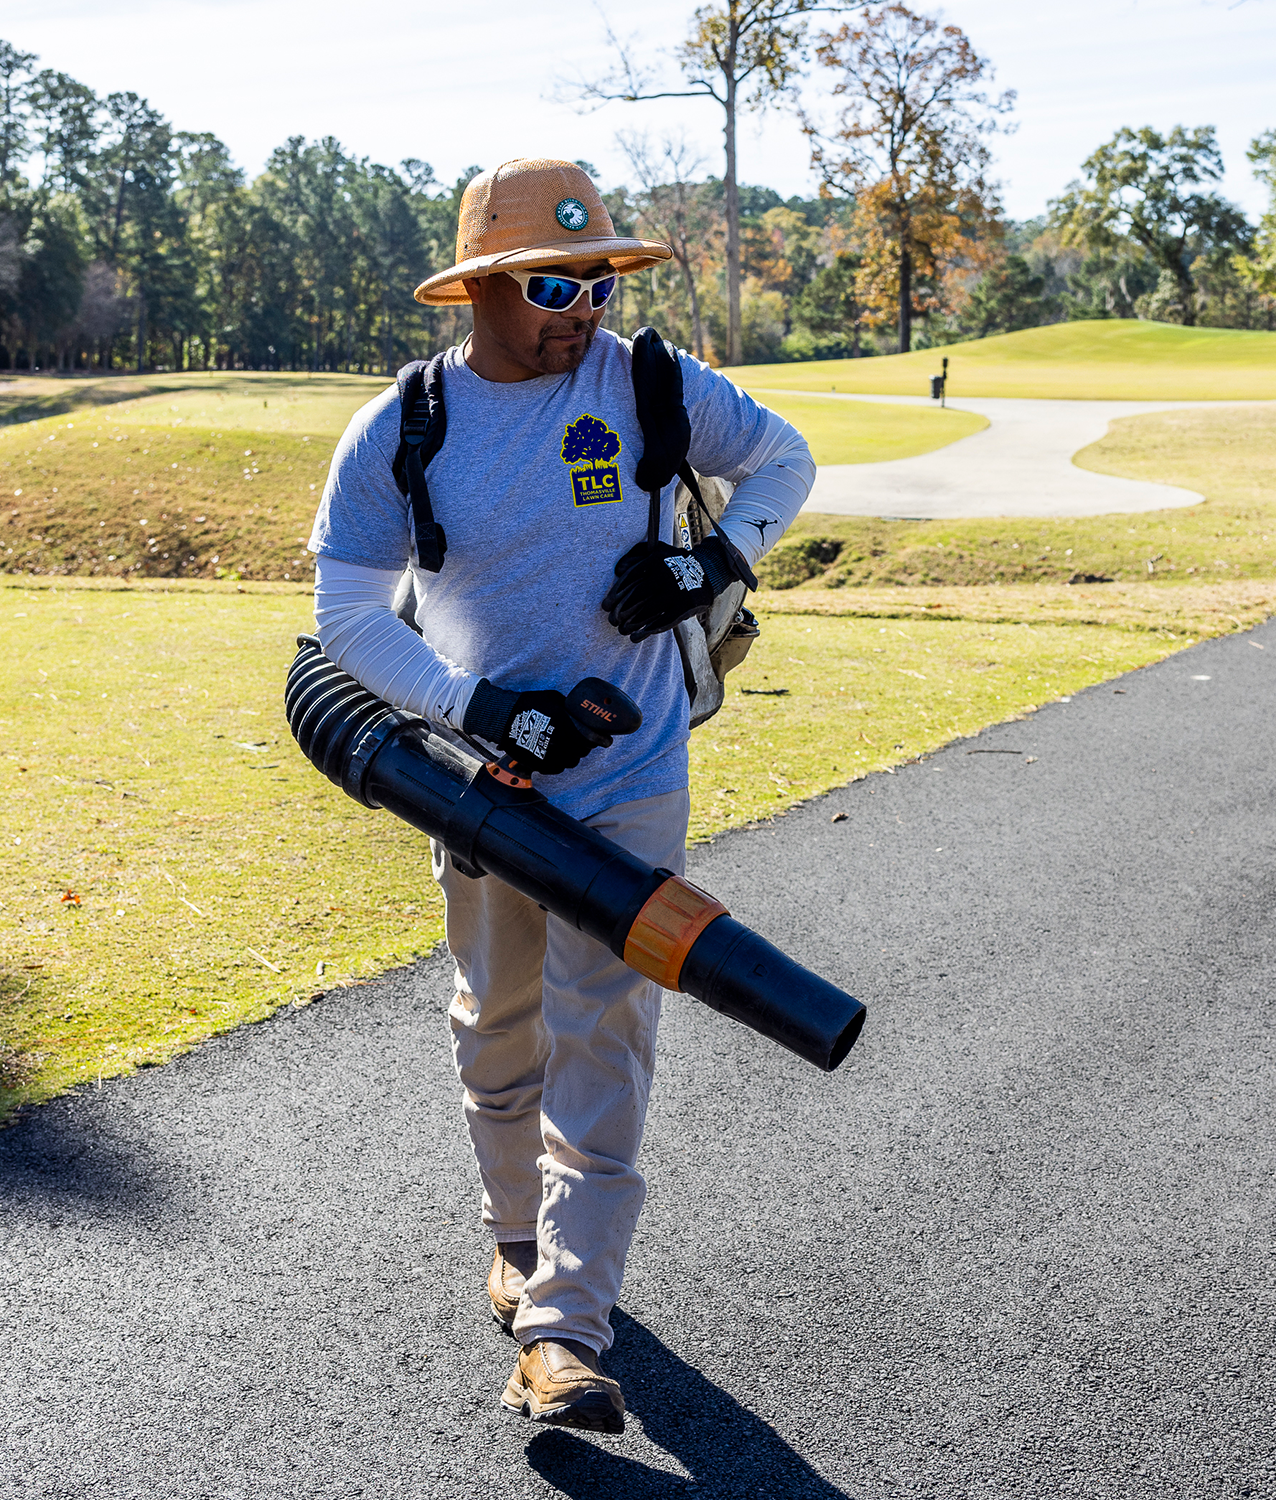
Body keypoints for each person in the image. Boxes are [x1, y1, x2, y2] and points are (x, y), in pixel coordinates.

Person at [306, 158, 814, 1433]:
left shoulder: (645, 382)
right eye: (550, 282)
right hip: (480, 792)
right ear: (476, 289)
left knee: (605, 1035)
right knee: (498, 1024)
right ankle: (515, 1240)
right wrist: (476, 711)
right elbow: (344, 614)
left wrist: (710, 560)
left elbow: (785, 458)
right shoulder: (405, 425)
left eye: (595, 279)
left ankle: (564, 1329)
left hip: (634, 779)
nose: (581, 306)